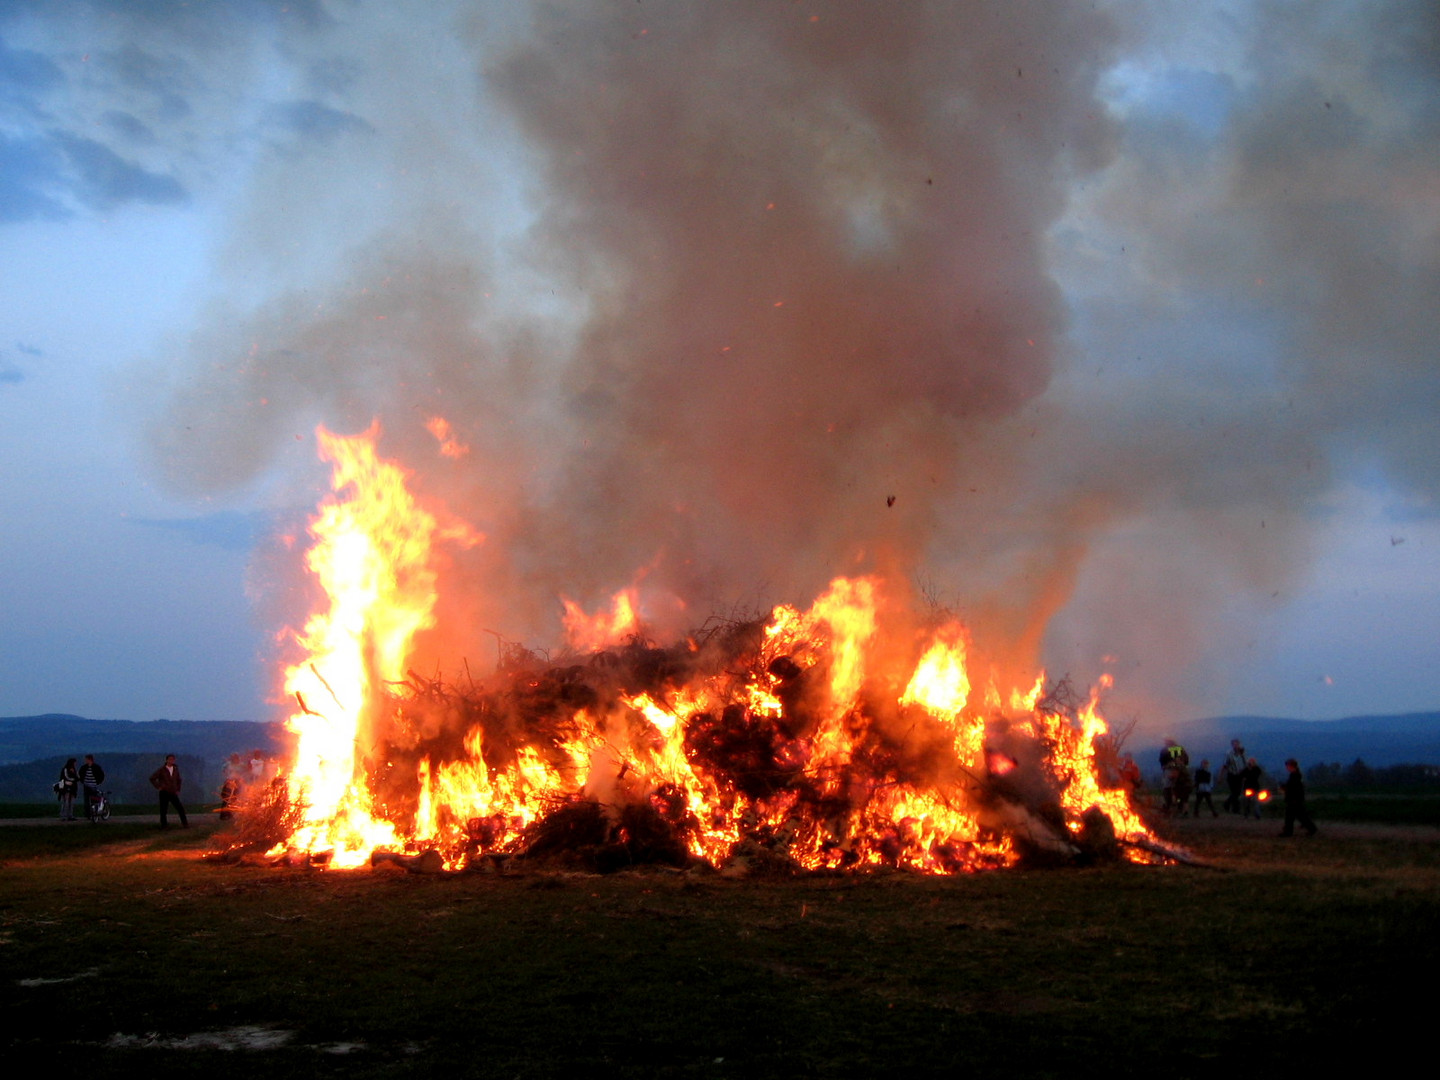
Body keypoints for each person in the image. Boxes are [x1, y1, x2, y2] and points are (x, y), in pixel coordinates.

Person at [1279, 758, 1318, 837]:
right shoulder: (1295, 775)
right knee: (1298, 816)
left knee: (1293, 816)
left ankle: (1288, 832)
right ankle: (1311, 828)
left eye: (1288, 766)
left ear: (1291, 766)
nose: (1287, 768)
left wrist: (1284, 787)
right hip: (1295, 799)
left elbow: (1293, 787)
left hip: (1294, 799)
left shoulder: (1295, 775)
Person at [149, 753, 189, 828]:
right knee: (163, 810)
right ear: (166, 760)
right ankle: (164, 825)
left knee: (180, 808)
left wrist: (178, 789)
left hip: (173, 792)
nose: (171, 761)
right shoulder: (162, 769)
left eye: (173, 759)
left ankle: (185, 824)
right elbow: (152, 778)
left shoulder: (175, 769)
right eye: (170, 759)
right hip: (164, 792)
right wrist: (159, 787)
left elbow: (179, 780)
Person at [77, 754, 105, 820]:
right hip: (86, 785)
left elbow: (101, 775)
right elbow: (80, 774)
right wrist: (82, 781)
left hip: (93, 785)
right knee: (86, 801)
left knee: (94, 800)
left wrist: (98, 782)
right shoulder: (84, 767)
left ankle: (94, 813)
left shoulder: (96, 767)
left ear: (90, 760)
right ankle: (88, 814)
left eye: (86, 759)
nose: (85, 761)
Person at [1223, 739, 1247, 813]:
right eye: (1234, 744)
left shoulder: (1242, 753)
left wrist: (1245, 774)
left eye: (1237, 744)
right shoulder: (1229, 753)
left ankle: (1228, 804)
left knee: (1238, 792)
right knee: (1234, 792)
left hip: (1240, 774)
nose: (1236, 746)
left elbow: (1245, 763)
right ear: (1232, 745)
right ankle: (1235, 808)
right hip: (1232, 774)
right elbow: (1225, 765)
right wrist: (1221, 775)